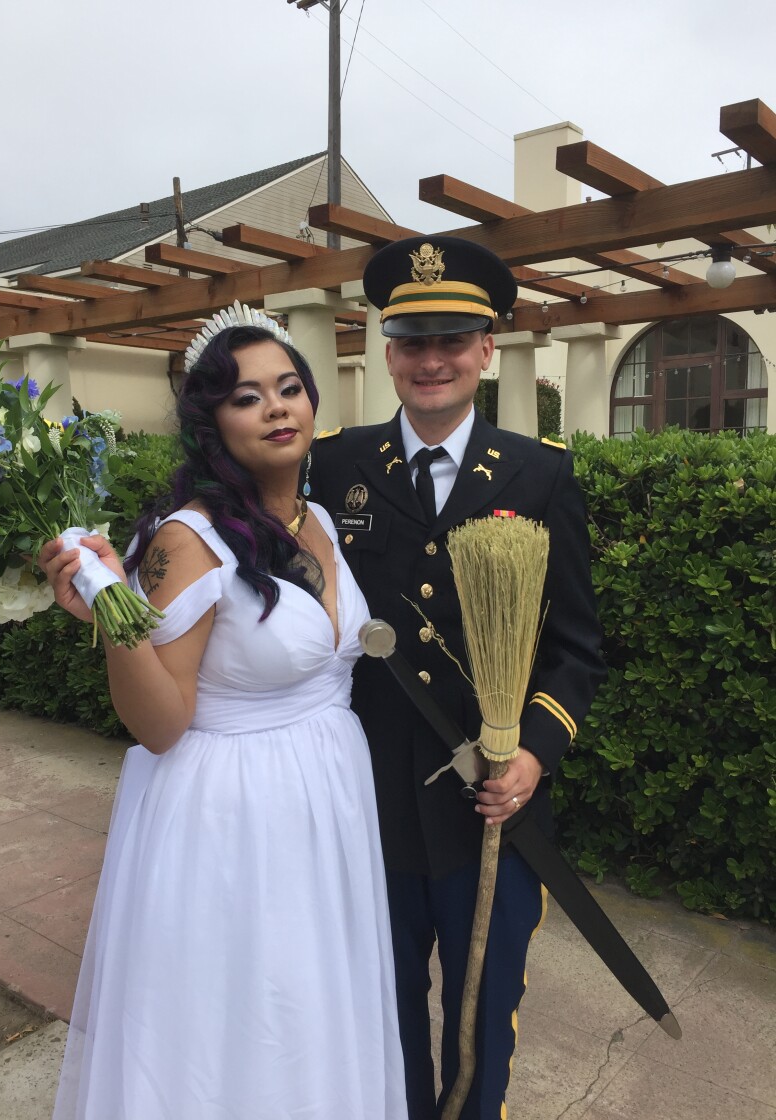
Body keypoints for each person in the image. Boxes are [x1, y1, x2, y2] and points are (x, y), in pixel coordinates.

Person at [39, 309, 408, 1120]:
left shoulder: (316, 520)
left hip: (327, 802)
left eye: (289, 388)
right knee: (244, 1020)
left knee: (313, 1008)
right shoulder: (189, 541)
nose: (276, 408)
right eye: (247, 397)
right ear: (212, 423)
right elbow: (160, 724)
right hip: (237, 819)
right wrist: (114, 613)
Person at [310, 236, 607, 1119]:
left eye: (452, 340)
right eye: (412, 341)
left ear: (487, 348)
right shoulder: (335, 465)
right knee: (382, 1012)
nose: (430, 359)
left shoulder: (539, 473)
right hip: (367, 803)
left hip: (492, 812)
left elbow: (576, 647)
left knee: (481, 1028)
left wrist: (535, 756)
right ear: (387, 352)